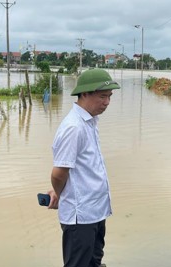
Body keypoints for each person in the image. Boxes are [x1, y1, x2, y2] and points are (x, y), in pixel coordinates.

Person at [47, 68, 120, 267]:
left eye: (109, 96)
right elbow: (58, 172)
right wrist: (61, 194)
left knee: (95, 261)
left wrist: (57, 190)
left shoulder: (89, 122)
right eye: (102, 96)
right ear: (85, 94)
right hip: (80, 216)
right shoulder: (74, 127)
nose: (107, 102)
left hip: (96, 210)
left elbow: (78, 168)